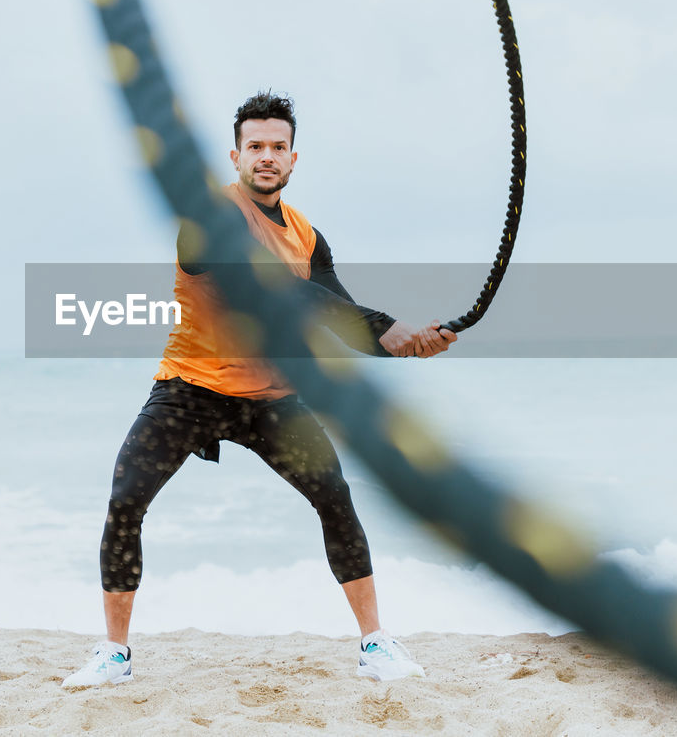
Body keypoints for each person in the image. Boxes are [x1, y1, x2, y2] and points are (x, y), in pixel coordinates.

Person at [63, 91, 457, 688]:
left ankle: (376, 644)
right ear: (236, 155)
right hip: (191, 387)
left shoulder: (307, 238)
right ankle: (113, 653)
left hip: (272, 398)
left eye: (278, 147)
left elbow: (339, 318)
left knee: (335, 497)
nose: (266, 157)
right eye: (256, 147)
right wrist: (388, 327)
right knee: (126, 498)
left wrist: (407, 343)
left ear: (294, 159)